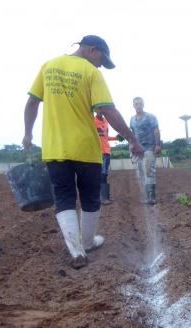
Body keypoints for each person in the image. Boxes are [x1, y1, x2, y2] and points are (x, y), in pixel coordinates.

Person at [23, 35, 144, 269]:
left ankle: (77, 251)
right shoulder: (90, 72)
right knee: (90, 197)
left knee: (64, 197)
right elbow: (108, 109)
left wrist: (28, 133)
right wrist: (132, 139)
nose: (101, 65)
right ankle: (87, 243)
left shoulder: (48, 67)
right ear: (91, 49)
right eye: (101, 59)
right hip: (86, 149)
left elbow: (31, 104)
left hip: (55, 148)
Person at [129, 97, 162, 204]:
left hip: (149, 148)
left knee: (149, 171)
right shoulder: (132, 120)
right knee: (141, 173)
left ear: (143, 105)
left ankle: (151, 197)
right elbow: (132, 134)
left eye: (140, 103)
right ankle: (147, 195)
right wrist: (131, 147)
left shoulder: (150, 117)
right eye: (136, 104)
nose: (138, 105)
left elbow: (156, 130)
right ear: (133, 106)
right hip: (137, 150)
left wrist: (157, 144)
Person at [94, 112, 118, 204]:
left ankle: (105, 195)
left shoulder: (105, 121)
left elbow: (105, 137)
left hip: (107, 151)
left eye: (102, 109)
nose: (101, 111)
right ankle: (102, 197)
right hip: (98, 152)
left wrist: (116, 138)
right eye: (98, 109)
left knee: (105, 173)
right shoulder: (93, 121)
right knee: (100, 174)